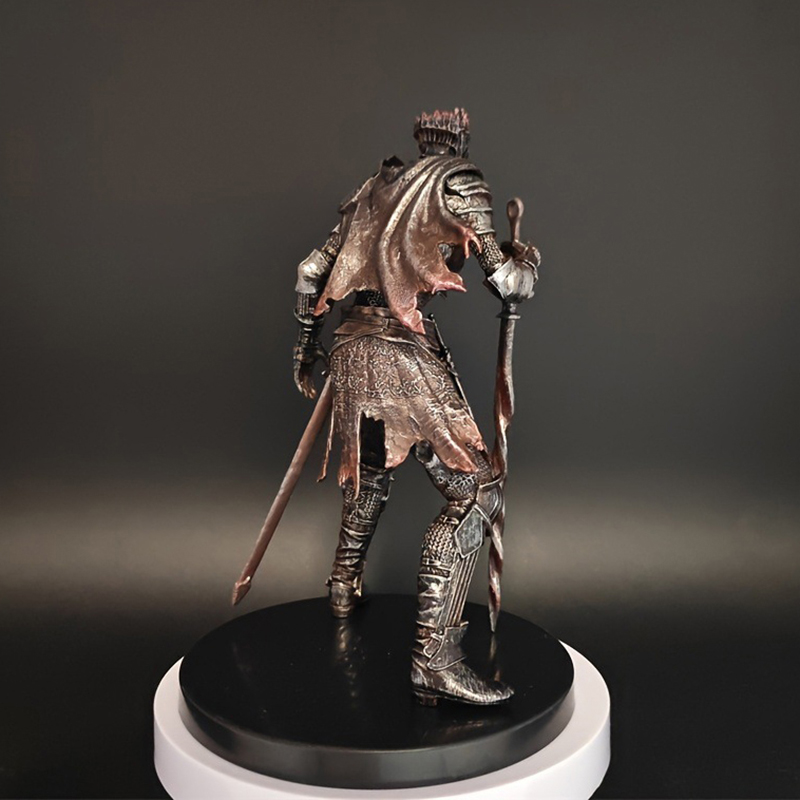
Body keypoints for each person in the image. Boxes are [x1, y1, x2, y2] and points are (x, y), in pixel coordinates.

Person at [292, 108, 540, 705]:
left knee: (371, 473)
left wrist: (304, 346)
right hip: (399, 353)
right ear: (458, 142)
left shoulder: (375, 188)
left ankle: (343, 587)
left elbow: (311, 271)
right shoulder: (460, 180)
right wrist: (527, 263)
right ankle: (435, 659)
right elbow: (506, 282)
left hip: (350, 348)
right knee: (477, 491)